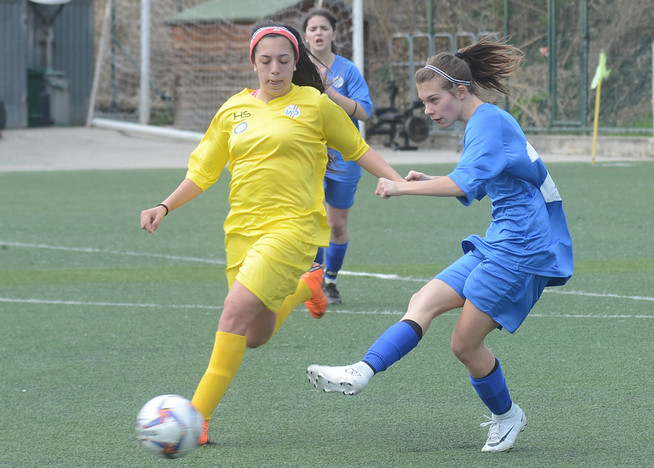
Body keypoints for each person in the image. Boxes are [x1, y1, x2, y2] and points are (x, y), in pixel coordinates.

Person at [140, 21, 403, 445]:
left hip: (293, 229)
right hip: (242, 232)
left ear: (295, 61)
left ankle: (196, 418)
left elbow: (358, 149)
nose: (275, 70)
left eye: (284, 61)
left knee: (231, 312)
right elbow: (204, 172)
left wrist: (399, 181)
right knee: (254, 335)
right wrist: (164, 205)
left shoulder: (315, 104)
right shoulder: (233, 110)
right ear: (253, 63)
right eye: (266, 61)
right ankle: (308, 287)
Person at [307, 37, 573, 453]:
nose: (428, 110)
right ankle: (361, 371)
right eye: (425, 102)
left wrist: (400, 187)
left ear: (460, 92)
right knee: (424, 299)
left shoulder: (488, 123)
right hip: (501, 240)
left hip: (523, 249)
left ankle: (507, 416)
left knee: (464, 345)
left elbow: (464, 184)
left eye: (434, 100)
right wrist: (427, 179)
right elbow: (474, 185)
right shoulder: (483, 124)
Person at [302, 8, 373, 305]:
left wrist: (331, 92)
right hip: (310, 155)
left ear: (333, 33)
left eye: (323, 28)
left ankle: (330, 280)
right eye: (312, 29)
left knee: (337, 224)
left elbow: (365, 112)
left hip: (344, 157)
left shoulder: (348, 71)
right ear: (305, 36)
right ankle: (314, 283)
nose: (318, 33)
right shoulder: (297, 70)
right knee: (312, 220)